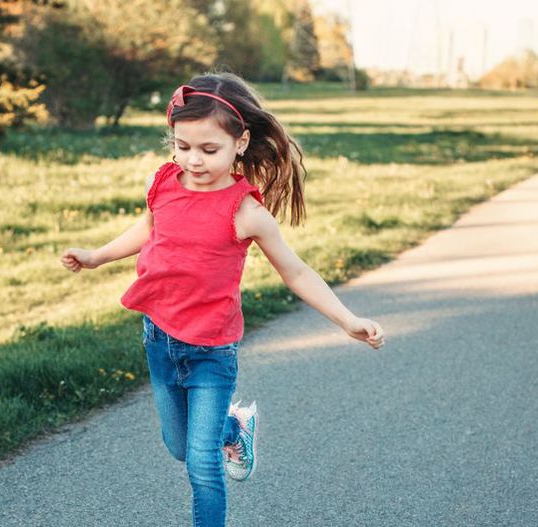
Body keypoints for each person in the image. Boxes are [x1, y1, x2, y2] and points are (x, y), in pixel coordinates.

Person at [60, 71, 385, 527]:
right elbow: (149, 228)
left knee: (201, 466)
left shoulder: (246, 211)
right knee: (179, 445)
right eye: (182, 146)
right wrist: (96, 256)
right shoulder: (166, 183)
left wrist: (346, 319)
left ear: (241, 142)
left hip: (212, 352)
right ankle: (235, 428)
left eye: (209, 150)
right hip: (159, 340)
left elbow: (295, 271)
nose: (193, 160)